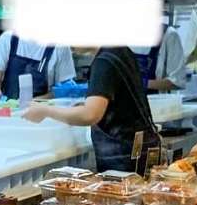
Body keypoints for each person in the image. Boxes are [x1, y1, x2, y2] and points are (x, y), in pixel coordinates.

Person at [21, 44, 160, 173]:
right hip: (140, 148)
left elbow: (90, 115)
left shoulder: (103, 62)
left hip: (124, 159)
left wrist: (45, 111)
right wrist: (84, 106)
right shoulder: (120, 50)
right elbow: (119, 101)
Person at [0, 30, 76, 102]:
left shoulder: (60, 46)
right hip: (8, 111)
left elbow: (63, 90)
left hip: (44, 114)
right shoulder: (8, 38)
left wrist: (35, 102)